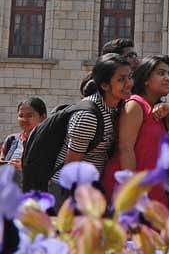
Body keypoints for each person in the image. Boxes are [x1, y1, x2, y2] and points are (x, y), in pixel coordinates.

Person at [102, 55, 169, 206]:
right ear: (146, 79)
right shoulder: (135, 104)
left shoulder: (161, 110)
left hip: (154, 189)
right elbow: (125, 149)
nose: (167, 78)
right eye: (161, 73)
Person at [49, 53, 133, 205]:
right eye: (121, 80)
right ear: (105, 85)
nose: (129, 83)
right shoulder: (88, 117)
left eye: (129, 77)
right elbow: (71, 166)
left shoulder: (114, 107)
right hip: (69, 192)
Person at [0, 97, 48, 172]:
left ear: (43, 117)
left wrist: (25, 169)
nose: (24, 120)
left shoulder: (50, 143)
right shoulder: (11, 140)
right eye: (21, 116)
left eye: (29, 116)